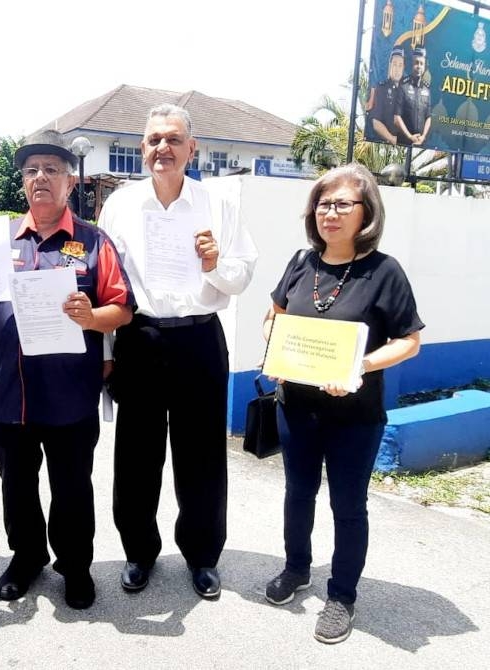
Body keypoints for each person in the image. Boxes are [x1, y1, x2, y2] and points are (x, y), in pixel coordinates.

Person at [0, 130, 134, 610]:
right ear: (22, 182)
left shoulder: (92, 241)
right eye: (31, 170)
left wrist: (92, 317)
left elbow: (123, 309)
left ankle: (75, 566)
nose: (40, 177)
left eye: (51, 169)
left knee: (71, 490)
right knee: (16, 487)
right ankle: (26, 557)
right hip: (9, 394)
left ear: (69, 182)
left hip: (70, 395)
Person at [98, 104, 257, 599]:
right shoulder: (120, 205)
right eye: (152, 140)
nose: (161, 148)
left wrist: (214, 263)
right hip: (140, 340)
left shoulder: (217, 206)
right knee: (136, 455)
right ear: (143, 150)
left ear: (192, 149)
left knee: (202, 455)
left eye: (172, 139)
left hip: (198, 339)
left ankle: (203, 555)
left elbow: (242, 273)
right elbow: (105, 284)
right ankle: (139, 551)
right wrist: (106, 350)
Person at [262, 163, 423, 644]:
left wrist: (359, 366)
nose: (329, 213)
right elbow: (275, 316)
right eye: (323, 204)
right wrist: (272, 349)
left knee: (348, 505)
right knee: (298, 491)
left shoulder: (383, 271)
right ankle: (296, 569)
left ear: (365, 212)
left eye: (341, 204)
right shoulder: (300, 263)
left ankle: (342, 596)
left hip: (355, 414)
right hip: (296, 406)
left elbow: (410, 341)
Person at [366, 48, 405, 146]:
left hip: (405, 147)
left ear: (403, 68)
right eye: (394, 64)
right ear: (390, 65)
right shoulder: (381, 88)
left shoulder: (408, 91)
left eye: (400, 65)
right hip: (383, 146)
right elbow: (376, 123)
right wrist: (392, 139)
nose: (397, 69)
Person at [395, 47, 431, 146]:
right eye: (416, 63)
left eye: (421, 64)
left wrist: (423, 136)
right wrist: (410, 137)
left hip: (420, 143)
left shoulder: (427, 89)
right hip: (403, 143)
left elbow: (428, 117)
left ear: (424, 67)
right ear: (412, 64)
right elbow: (396, 118)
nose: (419, 66)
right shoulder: (403, 86)